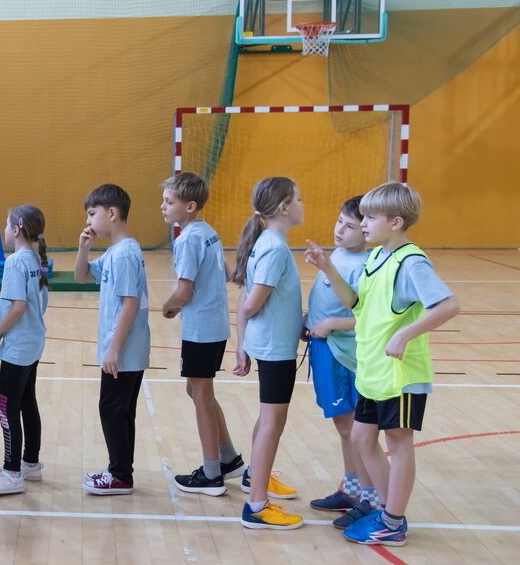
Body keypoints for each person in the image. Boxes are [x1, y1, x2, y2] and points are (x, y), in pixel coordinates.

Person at [306, 182, 460, 546]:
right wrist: (328, 269)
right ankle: (387, 510)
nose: (363, 224)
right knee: (362, 438)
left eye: (370, 218)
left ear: (395, 222)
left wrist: (405, 334)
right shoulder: (376, 257)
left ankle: (392, 521)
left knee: (399, 442)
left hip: (400, 374)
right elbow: (356, 304)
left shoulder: (411, 262)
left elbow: (448, 306)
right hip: (373, 371)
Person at [159, 173, 245, 496]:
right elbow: (226, 273)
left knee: (201, 396)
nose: (163, 206)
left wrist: (169, 306)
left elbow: (184, 291)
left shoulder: (187, 240)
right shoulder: (208, 232)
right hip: (215, 326)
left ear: (190, 206)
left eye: (169, 201)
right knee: (197, 391)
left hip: (201, 330)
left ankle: (211, 474)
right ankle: (228, 458)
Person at [232, 177, 305, 530]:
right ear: (284, 208)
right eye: (299, 199)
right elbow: (251, 302)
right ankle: (257, 506)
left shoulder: (268, 242)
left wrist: (242, 343)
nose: (303, 204)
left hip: (270, 342)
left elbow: (247, 298)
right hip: (275, 348)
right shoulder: (274, 247)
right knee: (273, 422)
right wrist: (242, 341)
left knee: (267, 419)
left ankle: (255, 476)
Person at [303, 195, 378, 529]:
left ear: (366, 230)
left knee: (353, 427)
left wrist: (331, 323)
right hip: (324, 348)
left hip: (344, 354)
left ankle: (369, 497)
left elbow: (367, 318)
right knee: (343, 426)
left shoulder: (366, 266)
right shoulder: (337, 255)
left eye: (350, 226)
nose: (340, 230)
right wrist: (310, 320)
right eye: (339, 222)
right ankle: (351, 489)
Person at [74, 184, 150, 496]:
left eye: (92, 214)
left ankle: (119, 475)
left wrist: (114, 349)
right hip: (124, 349)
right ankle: (121, 472)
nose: (88, 220)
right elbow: (81, 276)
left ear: (113, 213)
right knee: (120, 411)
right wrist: (84, 248)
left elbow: (130, 304)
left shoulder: (124, 254)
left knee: (112, 410)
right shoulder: (116, 252)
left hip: (124, 350)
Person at [0, 204, 49, 495]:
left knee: (6, 406)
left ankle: (11, 472)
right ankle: (30, 462)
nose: (5, 230)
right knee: (26, 401)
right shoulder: (35, 259)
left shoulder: (16, 262)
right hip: (33, 341)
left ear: (18, 229)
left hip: (19, 345)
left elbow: (17, 307)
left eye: (8, 225)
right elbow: (39, 304)